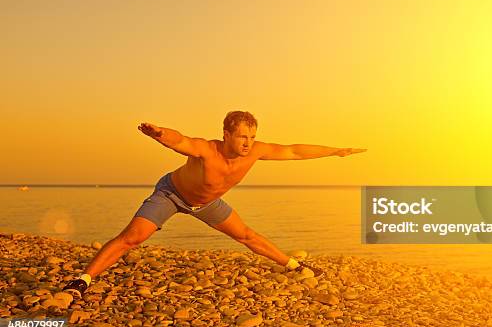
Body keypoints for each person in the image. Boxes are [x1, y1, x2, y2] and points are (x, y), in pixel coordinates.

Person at [63, 111, 367, 297]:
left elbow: (294, 151)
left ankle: (293, 264)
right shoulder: (207, 150)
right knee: (133, 237)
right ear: (226, 134)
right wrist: (159, 134)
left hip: (207, 203)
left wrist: (335, 151)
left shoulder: (255, 151)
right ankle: (81, 281)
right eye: (242, 136)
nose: (248, 142)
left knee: (246, 235)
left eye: (251, 136)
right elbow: (180, 140)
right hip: (171, 194)